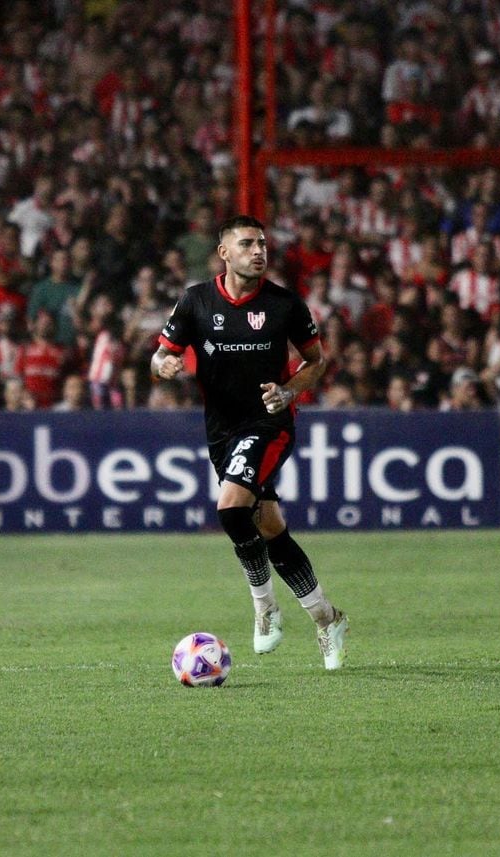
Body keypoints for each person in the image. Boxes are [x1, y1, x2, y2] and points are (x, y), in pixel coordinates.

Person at [150, 214, 348, 670]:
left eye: (262, 244)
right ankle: (327, 618)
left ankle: (264, 608)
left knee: (231, 508)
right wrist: (162, 365)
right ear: (224, 253)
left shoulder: (284, 305)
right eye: (247, 244)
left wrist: (290, 391)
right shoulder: (196, 301)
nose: (258, 251)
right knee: (269, 524)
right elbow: (161, 354)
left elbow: (315, 361)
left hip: (270, 421)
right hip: (220, 430)